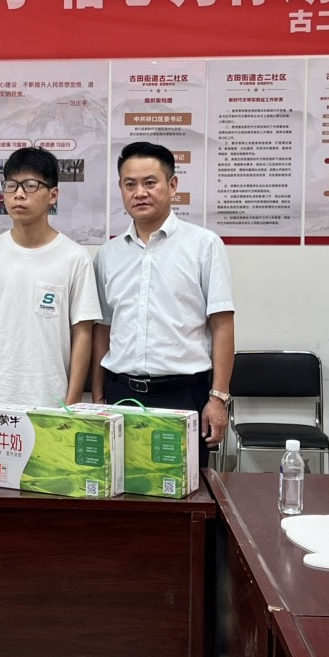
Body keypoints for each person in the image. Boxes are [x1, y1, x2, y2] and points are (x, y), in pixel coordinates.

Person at [92, 141, 235, 458]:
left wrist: (218, 398)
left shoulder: (204, 245)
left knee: (186, 487)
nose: (139, 192)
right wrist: (98, 395)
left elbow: (223, 325)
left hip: (183, 395)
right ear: (121, 188)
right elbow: (103, 328)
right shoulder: (108, 255)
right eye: (130, 184)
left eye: (150, 182)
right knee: (120, 484)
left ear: (172, 186)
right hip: (120, 395)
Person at [0, 146, 100, 408]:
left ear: (53, 195)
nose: (18, 194)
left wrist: (71, 404)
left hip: (50, 401)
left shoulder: (74, 257)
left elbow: (83, 332)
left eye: (30, 185)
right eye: (11, 186)